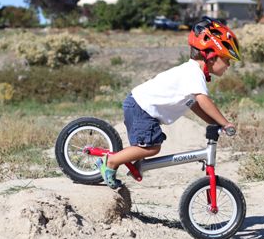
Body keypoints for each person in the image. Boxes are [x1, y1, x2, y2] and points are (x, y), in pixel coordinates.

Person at [97, 17, 240, 189]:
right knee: (152, 148)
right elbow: (203, 100)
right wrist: (225, 123)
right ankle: (111, 162)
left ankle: (129, 161)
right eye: (227, 59)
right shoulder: (193, 73)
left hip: (141, 107)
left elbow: (194, 104)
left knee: (149, 145)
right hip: (142, 108)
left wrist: (213, 122)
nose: (229, 65)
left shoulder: (192, 74)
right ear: (211, 57)